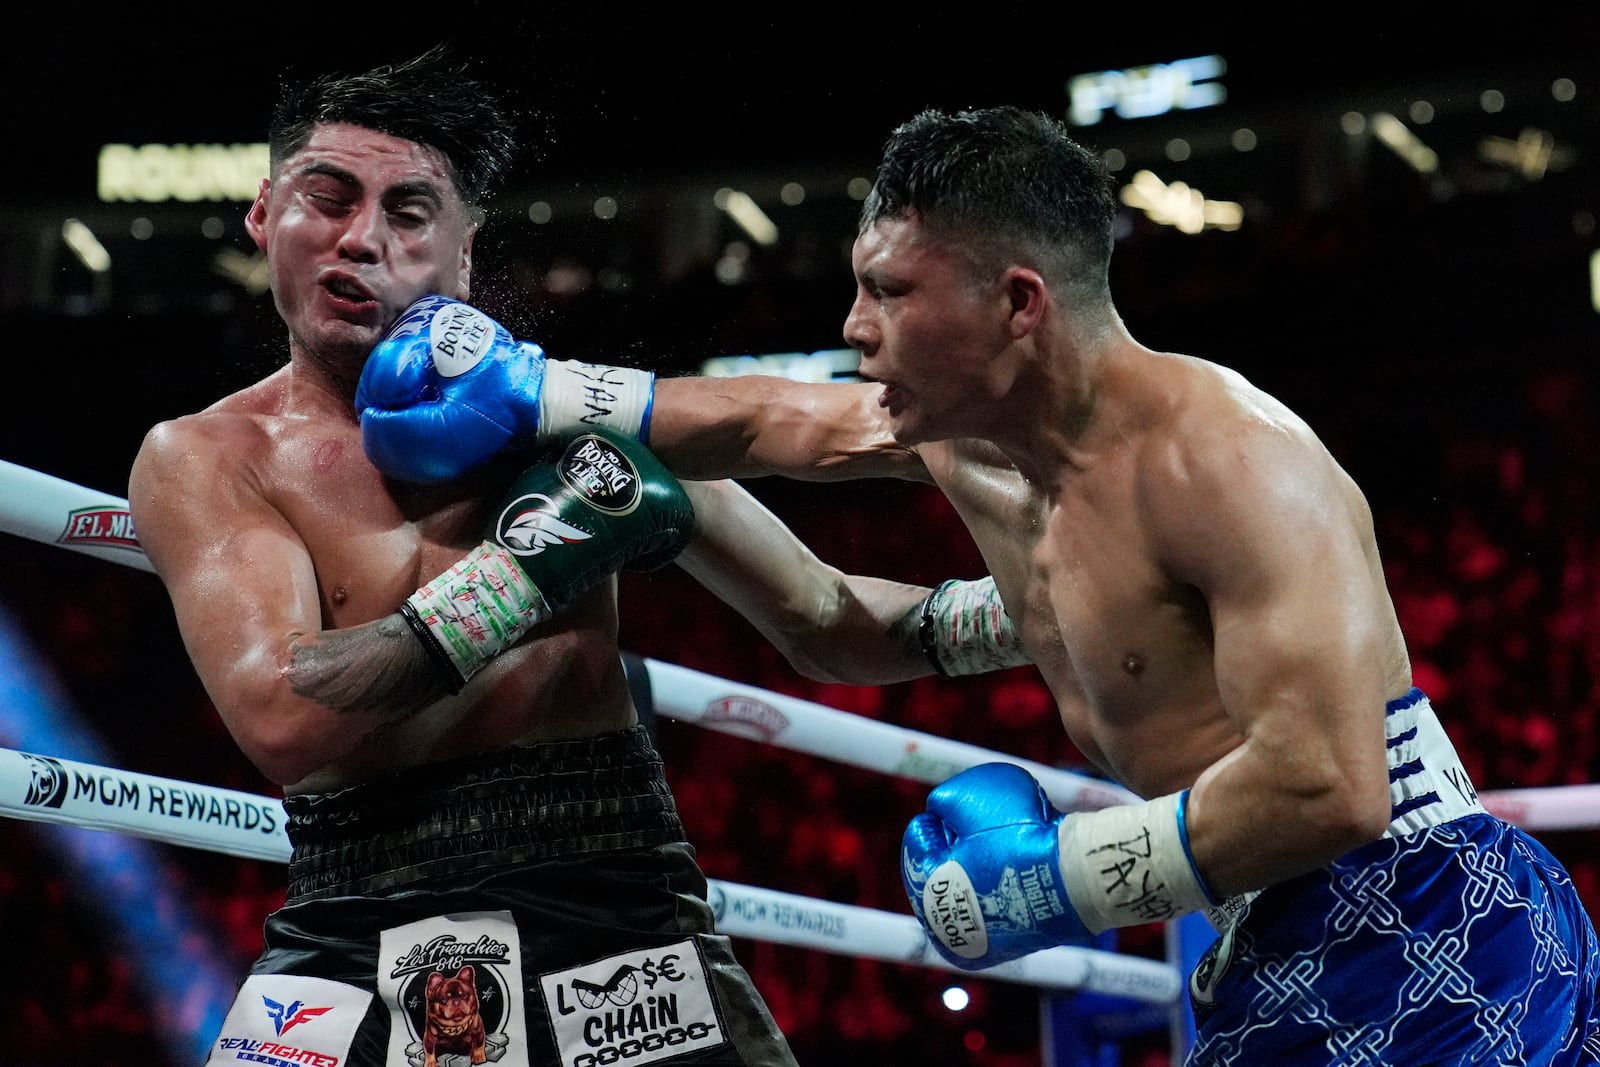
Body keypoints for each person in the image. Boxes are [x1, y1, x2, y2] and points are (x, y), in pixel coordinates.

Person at [357, 105, 1600, 1064]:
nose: (854, 325)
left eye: (890, 292)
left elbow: (1334, 786)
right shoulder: (963, 437)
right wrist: (535, 396)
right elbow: (764, 430)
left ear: (1016, 304)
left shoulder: (1227, 461)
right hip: (1268, 929)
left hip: (1429, 914)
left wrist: (1053, 880)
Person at [128, 45, 980, 1067]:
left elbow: (827, 616)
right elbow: (282, 716)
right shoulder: (207, 456)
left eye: (408, 211)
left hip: (611, 894)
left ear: (462, 253)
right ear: (267, 215)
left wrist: (1035, 611)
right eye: (328, 197)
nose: (362, 239)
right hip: (355, 907)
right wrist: (532, 560)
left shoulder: (559, 412)